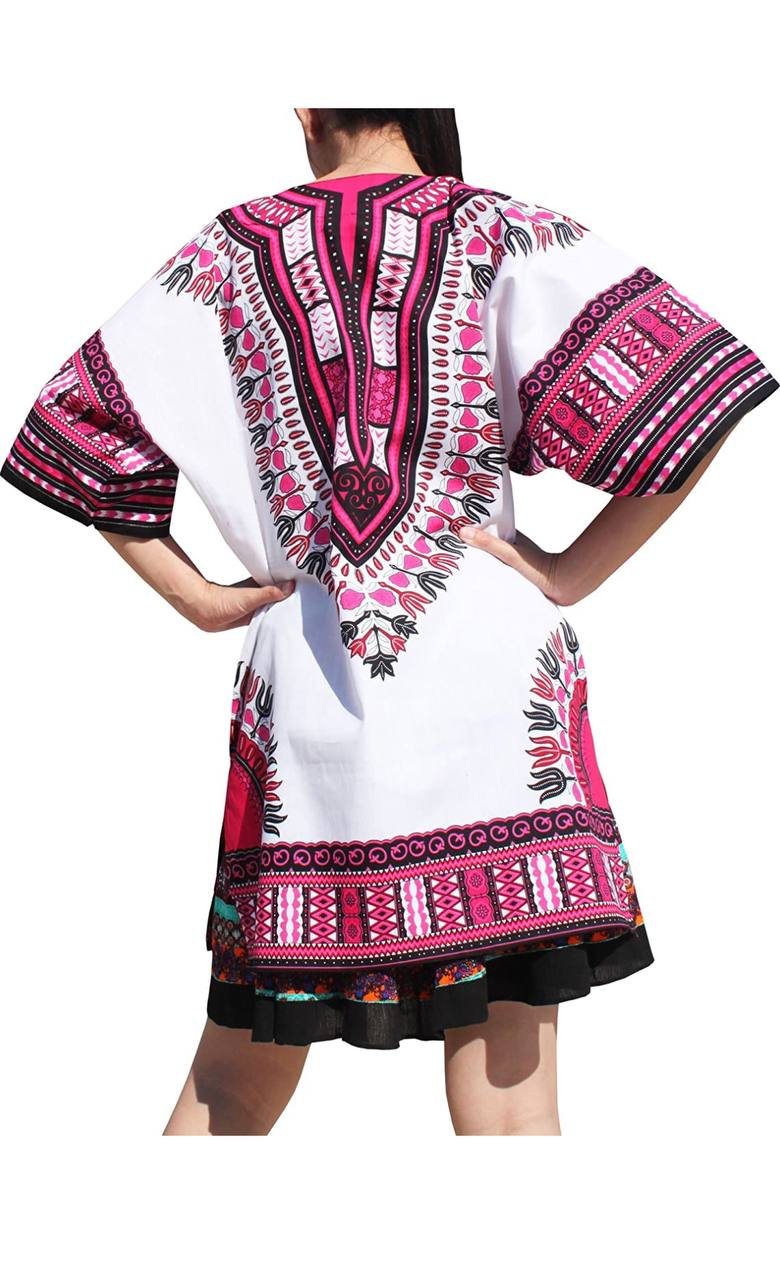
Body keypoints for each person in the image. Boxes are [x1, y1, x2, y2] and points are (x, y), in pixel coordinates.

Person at [2, 107, 776, 1137]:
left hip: (308, 686)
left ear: (307, 108)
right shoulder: (502, 229)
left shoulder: (228, 254)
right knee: (511, 1098)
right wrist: (570, 571)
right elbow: (690, 382)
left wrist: (197, 598)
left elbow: (74, 422)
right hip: (493, 695)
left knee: (234, 1079)